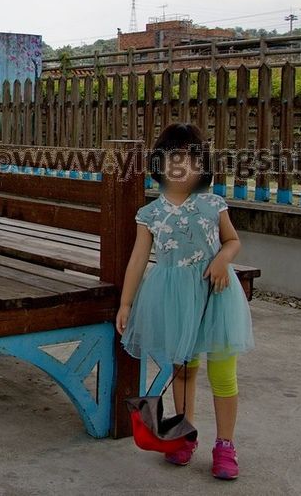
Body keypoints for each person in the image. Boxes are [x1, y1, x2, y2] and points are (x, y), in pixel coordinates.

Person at [116, 122, 255, 480]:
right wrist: (126, 304)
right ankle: (183, 434)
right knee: (184, 369)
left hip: (216, 296)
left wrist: (224, 259)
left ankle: (225, 444)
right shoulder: (150, 214)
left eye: (191, 160)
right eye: (173, 159)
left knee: (223, 371)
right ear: (159, 165)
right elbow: (137, 259)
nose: (182, 167)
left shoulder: (212, 204)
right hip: (174, 300)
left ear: (202, 166)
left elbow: (233, 241)